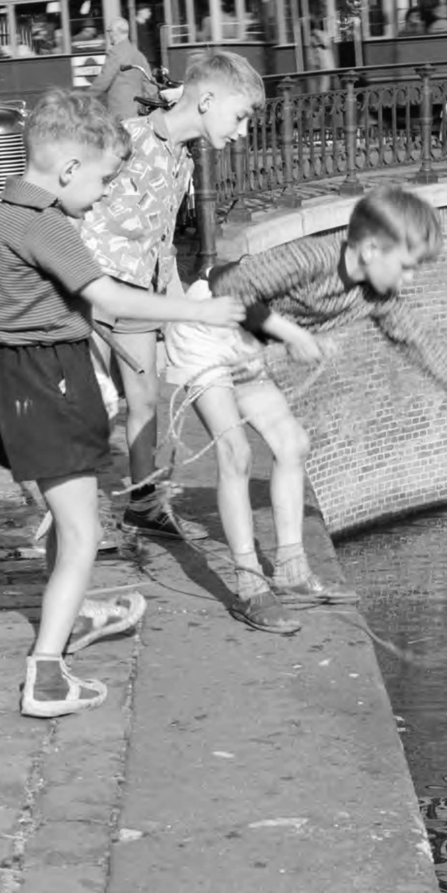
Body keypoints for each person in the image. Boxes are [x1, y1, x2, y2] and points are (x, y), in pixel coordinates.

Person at [167, 185, 447, 633]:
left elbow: (425, 347)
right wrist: (292, 334)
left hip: (245, 345)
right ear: (370, 249)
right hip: (207, 329)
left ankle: (292, 571)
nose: (410, 280)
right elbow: (229, 285)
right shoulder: (312, 259)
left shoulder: (375, 297)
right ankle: (250, 588)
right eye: (406, 266)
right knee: (236, 455)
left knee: (293, 445)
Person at [0, 89, 242, 718]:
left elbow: (50, 301)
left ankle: (69, 615)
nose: (101, 196)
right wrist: (199, 310)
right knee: (82, 531)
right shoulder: (47, 224)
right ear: (68, 169)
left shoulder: (9, 210)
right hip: (51, 378)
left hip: (16, 377)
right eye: (99, 182)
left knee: (66, 519)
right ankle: (47, 674)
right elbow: (110, 297)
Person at [79, 48, 264, 545]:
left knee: (145, 400)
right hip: (94, 292)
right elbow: (75, 200)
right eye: (240, 116)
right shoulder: (129, 138)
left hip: (139, 293)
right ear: (206, 100)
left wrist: (181, 307)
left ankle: (143, 502)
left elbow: (161, 241)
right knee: (91, 407)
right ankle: (69, 517)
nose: (242, 132)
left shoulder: (185, 160)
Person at [91, 18, 158, 120]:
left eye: (109, 31)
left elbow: (103, 81)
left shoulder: (115, 53)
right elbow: (150, 84)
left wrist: (83, 97)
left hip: (119, 111)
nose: (108, 34)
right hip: (137, 112)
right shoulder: (138, 54)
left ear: (114, 33)